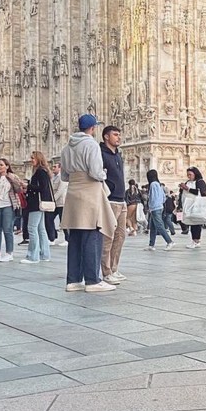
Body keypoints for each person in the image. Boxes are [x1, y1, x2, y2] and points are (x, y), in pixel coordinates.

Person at [59, 114, 117, 293]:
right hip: (89, 192)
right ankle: (92, 280)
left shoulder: (67, 147)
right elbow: (95, 172)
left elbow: (64, 176)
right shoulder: (91, 144)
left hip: (73, 193)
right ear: (92, 128)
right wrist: (104, 174)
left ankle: (73, 280)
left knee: (75, 237)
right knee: (93, 232)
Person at [100, 126, 127, 285]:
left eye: (119, 134)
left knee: (120, 236)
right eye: (115, 135)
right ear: (106, 137)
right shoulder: (102, 154)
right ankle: (106, 271)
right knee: (108, 237)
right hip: (110, 200)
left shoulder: (118, 155)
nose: (119, 137)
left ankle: (114, 268)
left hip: (121, 199)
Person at [20, 151, 54, 264]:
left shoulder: (40, 171)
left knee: (32, 228)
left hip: (36, 204)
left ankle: (33, 256)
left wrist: (27, 186)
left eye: (33, 158)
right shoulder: (42, 171)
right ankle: (45, 255)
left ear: (38, 159)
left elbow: (42, 188)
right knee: (41, 229)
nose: (31, 160)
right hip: (39, 203)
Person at [0, 158, 23, 263]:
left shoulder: (12, 177)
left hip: (8, 205)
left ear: (7, 166)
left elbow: (18, 190)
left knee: (8, 230)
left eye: (1, 165)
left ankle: (9, 253)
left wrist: (13, 179)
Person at [146, 169, 175, 250]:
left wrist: (150, 206)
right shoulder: (159, 185)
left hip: (155, 208)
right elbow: (163, 197)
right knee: (153, 227)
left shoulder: (152, 184)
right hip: (159, 207)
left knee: (159, 226)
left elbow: (153, 197)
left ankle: (169, 241)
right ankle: (151, 245)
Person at [181, 167, 206, 248]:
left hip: (197, 205)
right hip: (189, 205)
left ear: (195, 174)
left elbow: (201, 192)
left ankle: (196, 241)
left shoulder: (200, 182)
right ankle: (194, 240)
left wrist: (187, 188)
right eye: (188, 175)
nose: (189, 176)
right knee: (191, 222)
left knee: (196, 223)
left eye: (190, 174)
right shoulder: (188, 182)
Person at [51, 160, 69, 245]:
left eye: (55, 167)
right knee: (49, 219)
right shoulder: (53, 177)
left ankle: (67, 239)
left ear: (60, 168)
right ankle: (53, 236)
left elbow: (60, 191)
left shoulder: (63, 177)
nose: (53, 168)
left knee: (63, 221)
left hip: (62, 203)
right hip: (55, 203)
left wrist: (52, 200)